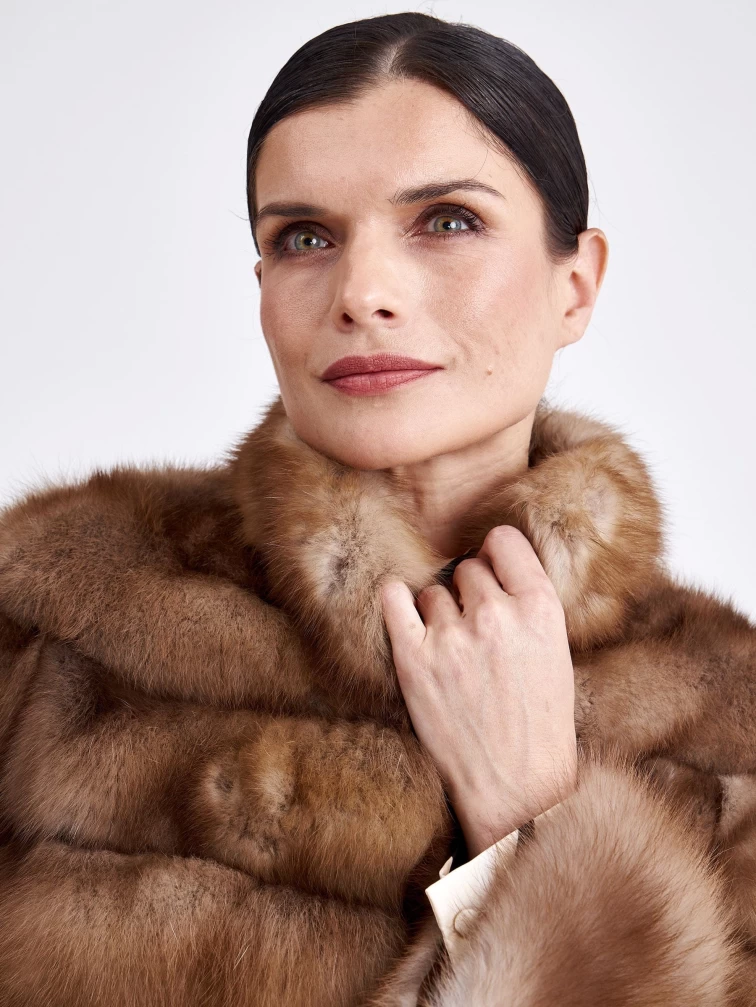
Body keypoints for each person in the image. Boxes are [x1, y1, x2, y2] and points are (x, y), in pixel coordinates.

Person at [1, 11, 754, 1006]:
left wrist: (533, 817)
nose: (362, 291)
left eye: (448, 220)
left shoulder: (726, 710)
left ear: (576, 286)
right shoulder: (62, 605)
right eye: (304, 237)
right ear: (261, 287)